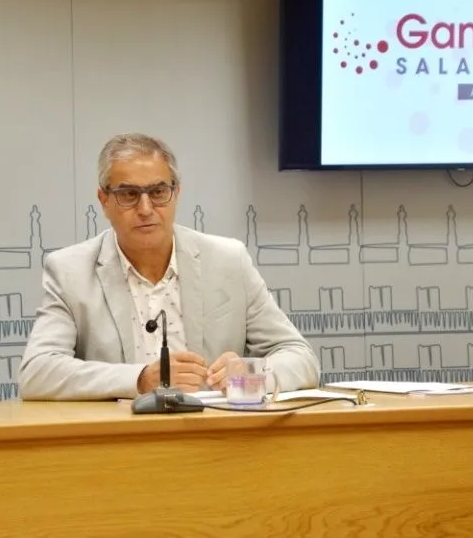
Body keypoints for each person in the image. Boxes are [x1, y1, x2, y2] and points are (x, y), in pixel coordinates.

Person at [19, 133, 320, 400]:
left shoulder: (228, 261)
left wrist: (251, 373)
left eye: (158, 192)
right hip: (119, 437)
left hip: (215, 435)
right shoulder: (70, 271)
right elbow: (37, 372)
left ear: (176, 193)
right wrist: (139, 380)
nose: (146, 209)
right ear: (104, 200)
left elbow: (301, 358)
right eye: (129, 195)